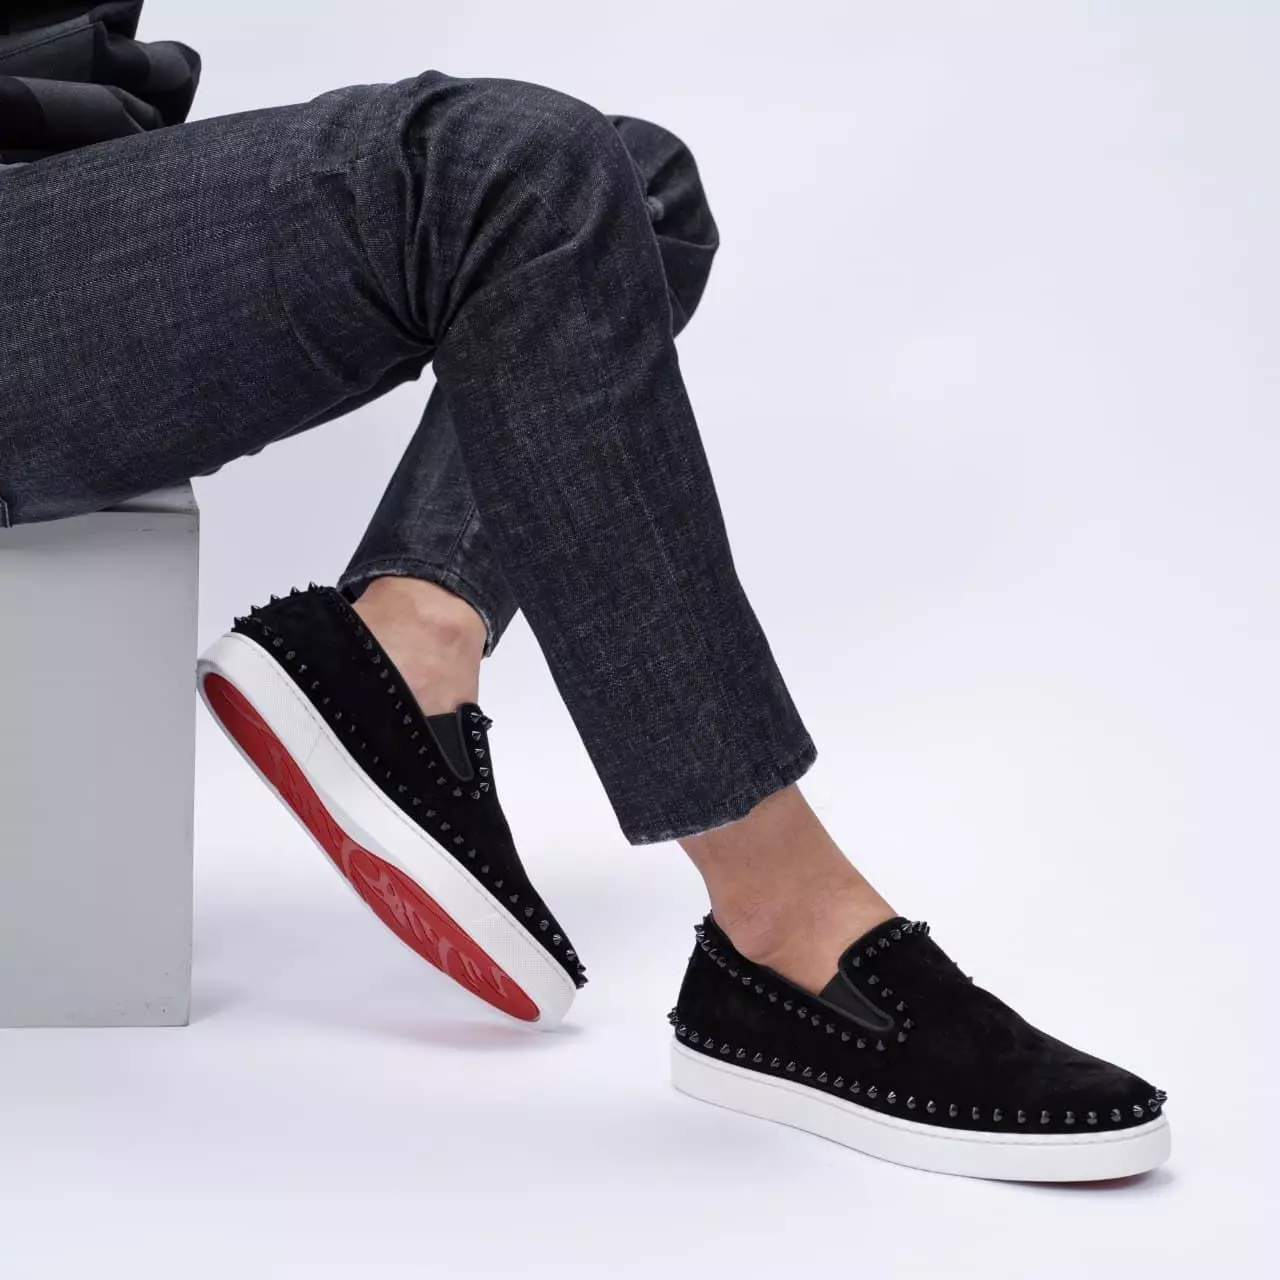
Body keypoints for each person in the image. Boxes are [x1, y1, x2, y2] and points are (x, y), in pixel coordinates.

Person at [0, 3, 1169, 1181]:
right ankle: (784, 925)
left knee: (636, 184)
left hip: (67, 181)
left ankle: (413, 638)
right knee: (514, 169)